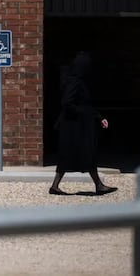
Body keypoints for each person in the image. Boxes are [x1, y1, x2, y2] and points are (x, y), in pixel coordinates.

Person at [50, 52, 117, 196]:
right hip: (73, 126)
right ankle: (57, 186)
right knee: (80, 153)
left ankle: (98, 185)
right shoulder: (75, 81)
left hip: (77, 125)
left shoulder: (77, 80)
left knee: (84, 153)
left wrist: (98, 117)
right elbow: (68, 103)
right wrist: (86, 114)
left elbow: (85, 104)